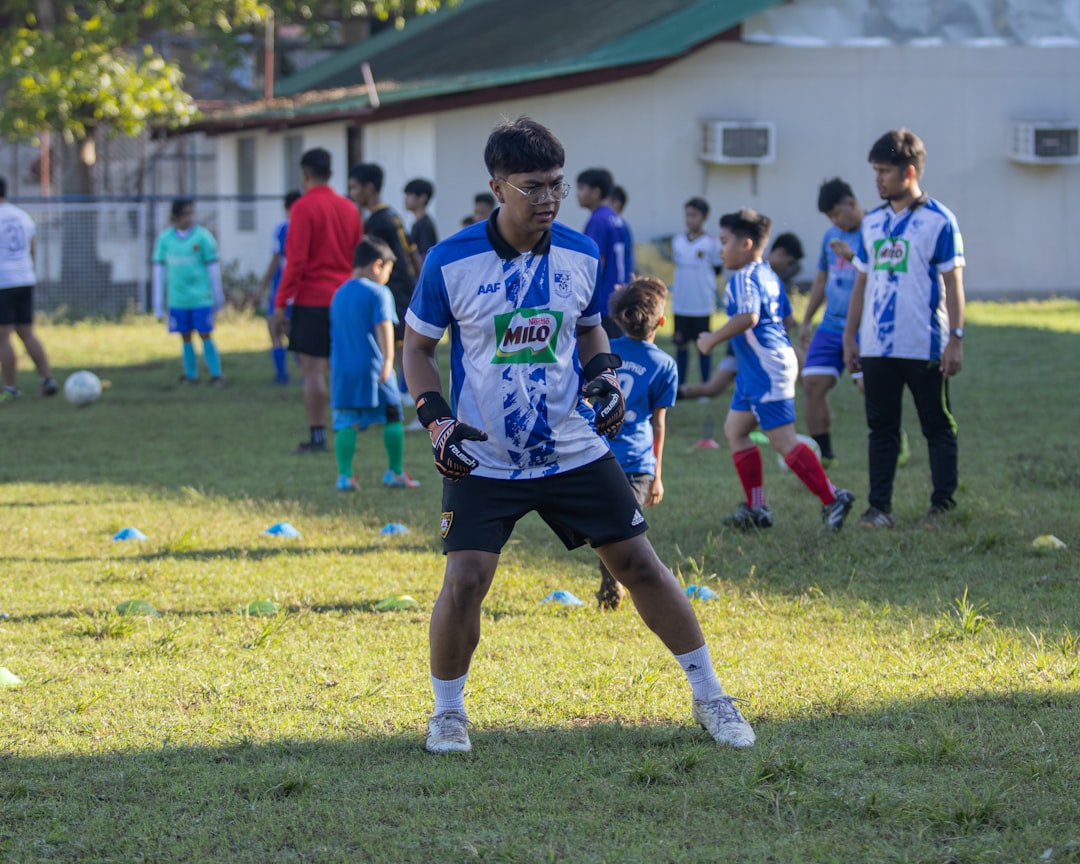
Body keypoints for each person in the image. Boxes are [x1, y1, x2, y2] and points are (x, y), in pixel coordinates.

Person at [404, 116, 755, 755]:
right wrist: (437, 419)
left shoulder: (580, 252)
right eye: (532, 186)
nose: (547, 200)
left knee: (639, 565)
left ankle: (712, 697)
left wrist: (606, 379)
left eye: (557, 186)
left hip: (572, 445)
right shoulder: (449, 260)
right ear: (497, 185)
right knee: (465, 582)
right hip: (485, 453)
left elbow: (592, 330)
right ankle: (447, 715)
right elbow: (419, 350)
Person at [697, 208, 855, 532]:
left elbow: (749, 318)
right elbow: (786, 320)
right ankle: (757, 508)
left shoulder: (742, 277)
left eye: (725, 241)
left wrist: (712, 339)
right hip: (759, 366)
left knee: (782, 440)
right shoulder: (768, 274)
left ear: (746, 244)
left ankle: (832, 497)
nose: (721, 249)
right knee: (735, 430)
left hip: (766, 367)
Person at [843, 128, 966, 529]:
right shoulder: (872, 223)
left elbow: (953, 283)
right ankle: (879, 508)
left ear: (908, 172)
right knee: (881, 430)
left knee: (935, 424)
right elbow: (861, 281)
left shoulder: (940, 221)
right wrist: (850, 336)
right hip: (877, 345)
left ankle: (942, 505)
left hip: (924, 344)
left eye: (884, 171)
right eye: (875, 171)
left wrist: (955, 339)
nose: (877, 179)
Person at [273, 147, 363, 453]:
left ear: (305, 174)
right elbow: (357, 256)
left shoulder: (302, 207)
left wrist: (280, 303)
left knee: (313, 371)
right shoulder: (349, 208)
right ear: (331, 173)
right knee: (342, 366)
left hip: (312, 299)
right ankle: (348, 429)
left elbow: (295, 261)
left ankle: (317, 436)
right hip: (345, 298)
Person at [596, 276, 678, 611]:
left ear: (619, 316)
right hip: (636, 463)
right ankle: (620, 585)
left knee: (609, 531)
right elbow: (659, 424)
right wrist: (657, 476)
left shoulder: (604, 352)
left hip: (598, 458)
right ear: (660, 321)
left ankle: (612, 583)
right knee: (624, 533)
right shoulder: (664, 364)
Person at [330, 236, 421, 492]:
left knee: (346, 421)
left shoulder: (339, 292)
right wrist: (389, 360)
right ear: (377, 265)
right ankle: (395, 471)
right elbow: (384, 328)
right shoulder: (379, 292)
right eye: (388, 272)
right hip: (374, 369)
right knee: (393, 415)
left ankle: (344, 476)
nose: (387, 278)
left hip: (343, 370)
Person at [677, 234, 798, 401]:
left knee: (715, 391)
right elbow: (748, 316)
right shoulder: (750, 277)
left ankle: (666, 394)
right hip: (755, 351)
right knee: (713, 388)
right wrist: (712, 339)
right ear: (781, 252)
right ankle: (665, 394)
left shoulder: (766, 277)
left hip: (755, 351)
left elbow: (785, 319)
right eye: (723, 243)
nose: (722, 251)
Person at [349, 163, 418, 394]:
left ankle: (407, 391)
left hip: (395, 288)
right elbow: (412, 252)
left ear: (369, 188)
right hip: (407, 287)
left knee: (398, 343)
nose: (352, 193)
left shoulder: (377, 221)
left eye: (355, 187)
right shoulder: (391, 214)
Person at [152, 198, 225, 386]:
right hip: (178, 300)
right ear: (175, 216)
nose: (190, 218)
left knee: (205, 333)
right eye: (186, 214)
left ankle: (216, 374)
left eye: (192, 213)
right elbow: (158, 270)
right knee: (184, 336)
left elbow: (213, 269)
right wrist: (158, 304)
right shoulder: (165, 239)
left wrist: (218, 298)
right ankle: (190, 375)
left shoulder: (203, 237)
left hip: (201, 298)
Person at [0, 177, 57, 402]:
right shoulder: (22, 215)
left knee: (2, 338)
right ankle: (47, 379)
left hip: (3, 282)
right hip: (25, 279)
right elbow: (33, 250)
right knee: (26, 332)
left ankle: (11, 388)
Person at [671, 197, 723, 387]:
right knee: (681, 345)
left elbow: (717, 269)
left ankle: (705, 385)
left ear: (704, 217)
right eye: (687, 215)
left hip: (701, 304)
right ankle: (681, 385)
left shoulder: (712, 243)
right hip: (681, 304)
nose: (690, 219)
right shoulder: (677, 241)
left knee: (703, 345)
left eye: (694, 215)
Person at [576, 167, 633, 339]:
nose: (577, 194)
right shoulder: (619, 220)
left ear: (595, 192)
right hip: (620, 297)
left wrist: (584, 295)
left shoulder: (598, 220)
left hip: (603, 300)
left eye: (581, 188)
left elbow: (596, 261)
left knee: (603, 355)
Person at [256, 190, 302, 385]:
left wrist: (262, 286)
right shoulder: (292, 228)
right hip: (294, 288)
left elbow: (276, 260)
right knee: (288, 331)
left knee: (278, 329)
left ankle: (286, 375)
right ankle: (295, 375)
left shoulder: (284, 229)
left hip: (287, 288)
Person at [404, 177, 438, 268]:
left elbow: (424, 257)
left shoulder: (425, 225)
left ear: (422, 198)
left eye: (409, 195)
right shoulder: (418, 223)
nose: (405, 199)